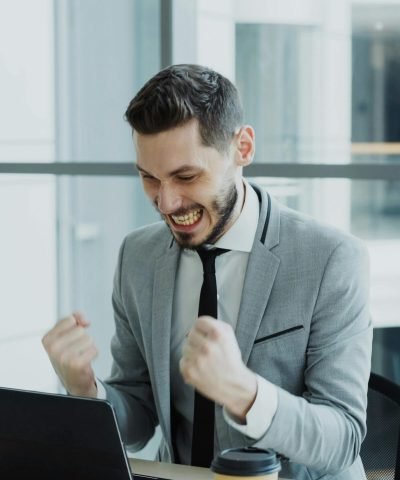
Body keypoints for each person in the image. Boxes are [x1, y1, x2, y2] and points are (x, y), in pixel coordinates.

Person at [42, 64, 372, 479]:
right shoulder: (137, 256)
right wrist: (87, 389)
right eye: (149, 179)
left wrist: (245, 393)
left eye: (186, 176)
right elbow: (139, 414)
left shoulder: (331, 259)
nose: (166, 202)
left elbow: (342, 438)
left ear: (243, 148)